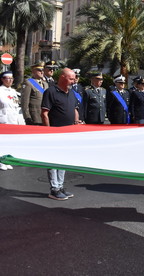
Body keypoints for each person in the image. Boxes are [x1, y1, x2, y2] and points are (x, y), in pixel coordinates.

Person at [41, 68, 80, 200]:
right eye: (71, 78)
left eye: (74, 78)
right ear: (62, 77)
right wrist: (48, 131)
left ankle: (61, 186)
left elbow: (74, 109)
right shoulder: (51, 92)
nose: (74, 81)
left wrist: (76, 122)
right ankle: (54, 188)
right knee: (52, 161)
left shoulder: (71, 93)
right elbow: (45, 113)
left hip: (67, 133)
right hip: (54, 133)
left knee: (64, 159)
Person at [0, 71, 25, 171]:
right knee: (2, 142)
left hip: (13, 119)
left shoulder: (13, 91)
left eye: (12, 78)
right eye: (8, 78)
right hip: (3, 119)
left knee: (10, 142)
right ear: (2, 79)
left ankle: (7, 160)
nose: (10, 80)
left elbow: (16, 104)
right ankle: (1, 161)